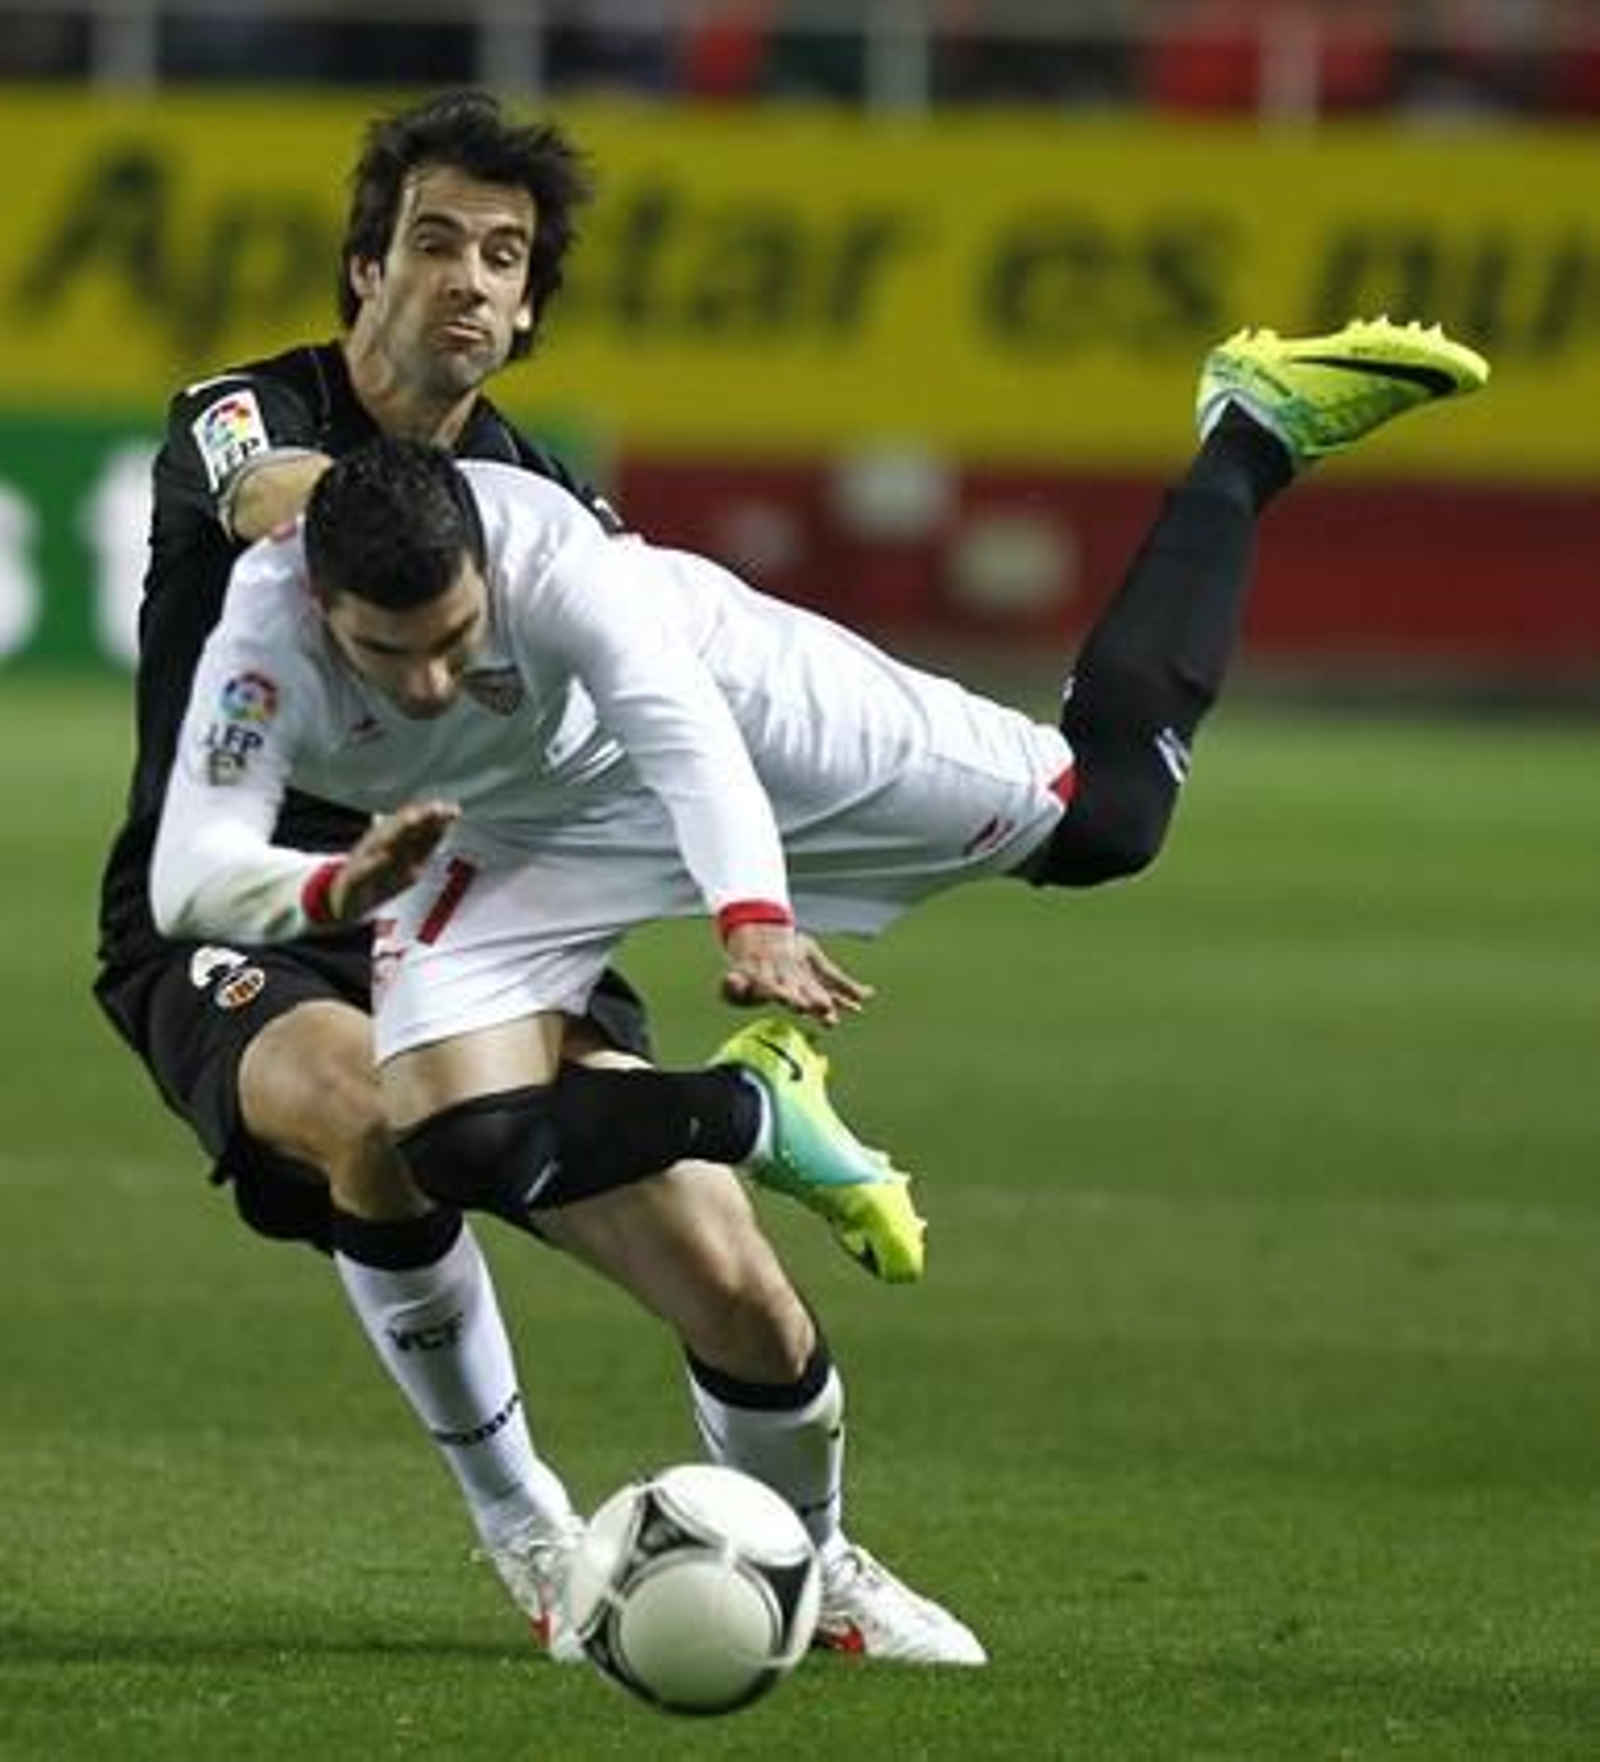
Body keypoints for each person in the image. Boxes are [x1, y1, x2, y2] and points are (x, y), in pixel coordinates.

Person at [147, 316, 1486, 1646]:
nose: (432, 681)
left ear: (483, 571)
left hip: (740, 718)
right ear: (319, 602)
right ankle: (752, 1112)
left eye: (454, 638)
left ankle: (1248, 434)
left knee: (1110, 819)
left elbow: (689, 738)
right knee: (449, 1140)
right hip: (522, 835)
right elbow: (188, 877)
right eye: (391, 655)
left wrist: (754, 918)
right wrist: (332, 894)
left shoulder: (555, 560)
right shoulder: (261, 639)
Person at [95, 88, 975, 1667]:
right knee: (380, 1117)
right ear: (366, 267)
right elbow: (267, 495)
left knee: (741, 1286)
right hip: (251, 922)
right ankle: (528, 1525)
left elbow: (664, 705)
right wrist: (388, 517)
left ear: (527, 307)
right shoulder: (245, 410)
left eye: (503, 258)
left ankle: (813, 1561)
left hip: (492, 926)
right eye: (434, 243)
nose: (468, 280)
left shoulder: (549, 503)